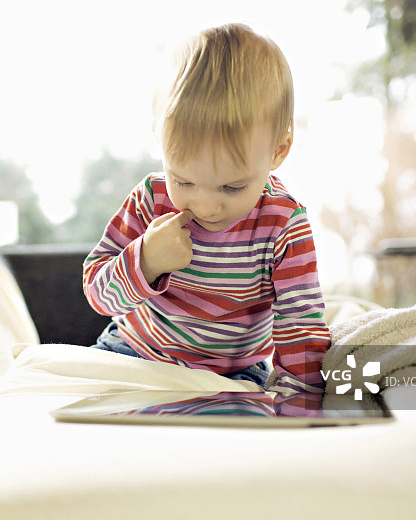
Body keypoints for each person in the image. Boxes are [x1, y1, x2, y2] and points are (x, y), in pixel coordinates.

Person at [83, 23, 330, 394]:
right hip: (131, 352)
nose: (206, 206)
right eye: (183, 181)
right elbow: (97, 292)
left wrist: (303, 397)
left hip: (233, 374)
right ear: (159, 139)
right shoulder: (151, 198)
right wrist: (146, 261)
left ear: (278, 150)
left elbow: (301, 325)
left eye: (232, 186)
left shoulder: (284, 224)